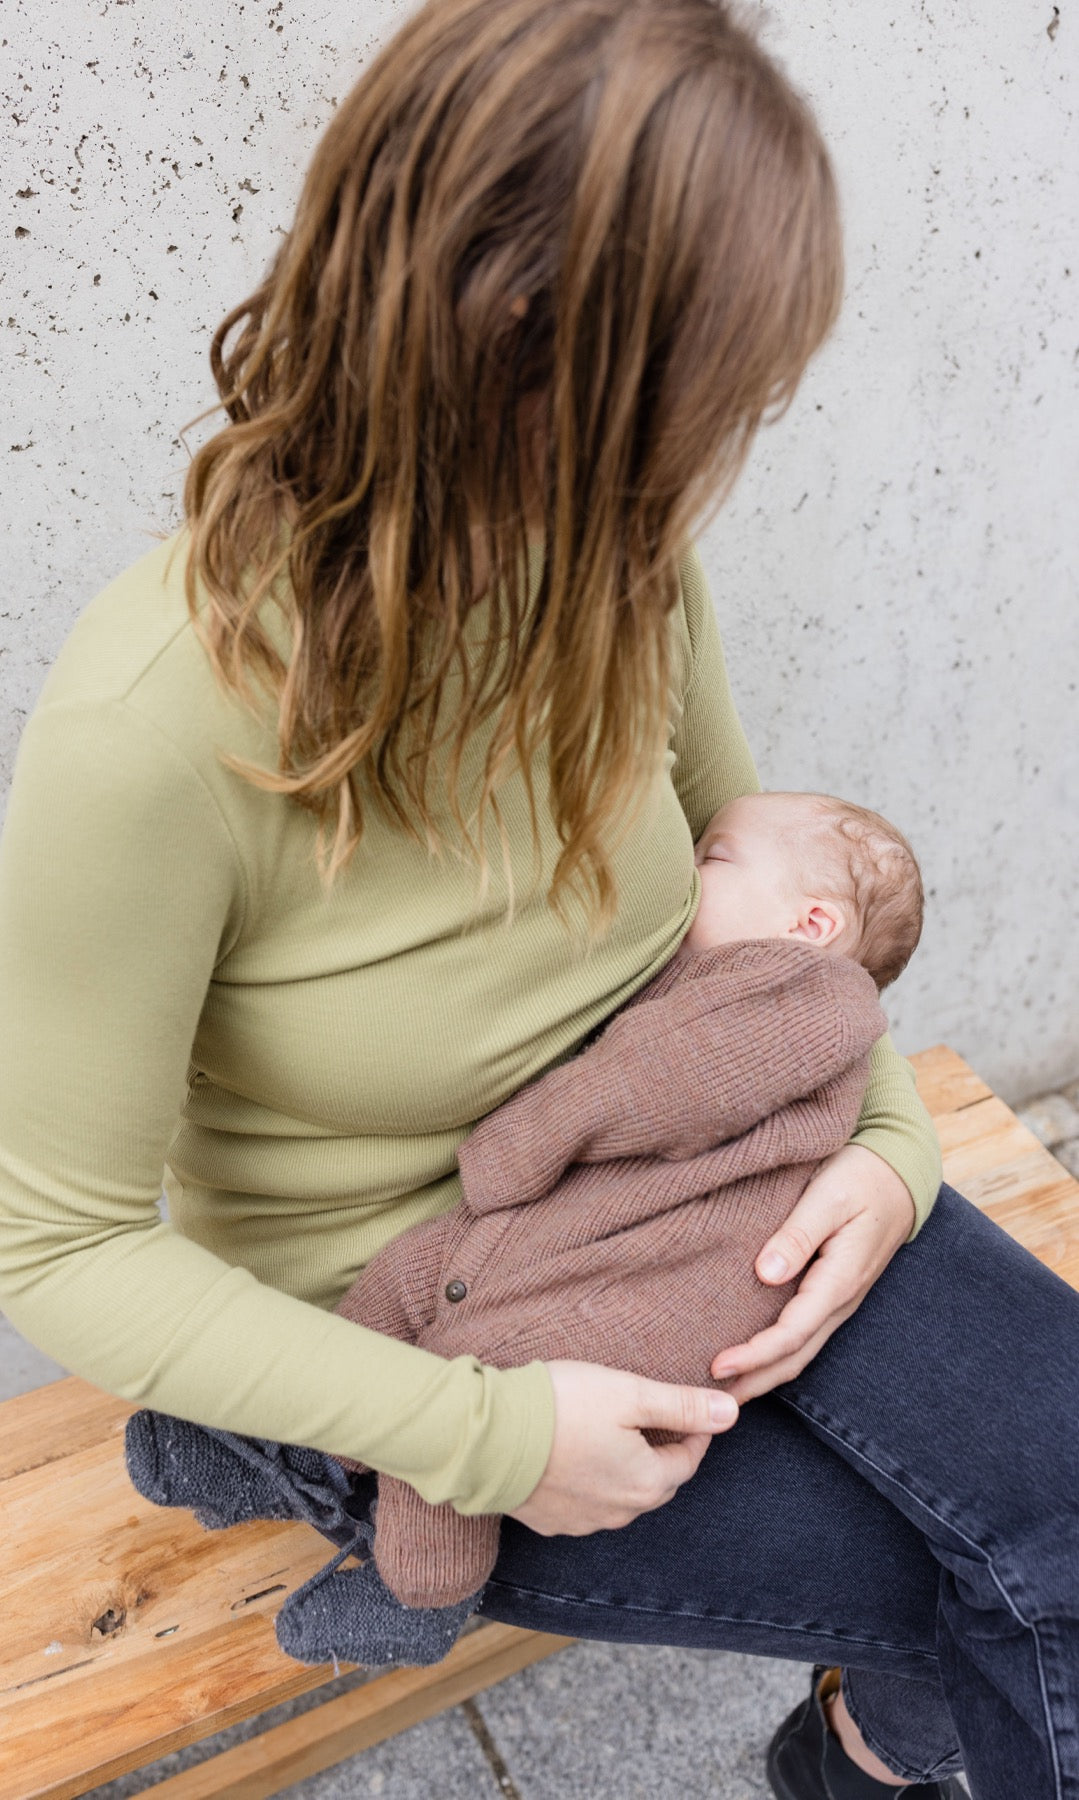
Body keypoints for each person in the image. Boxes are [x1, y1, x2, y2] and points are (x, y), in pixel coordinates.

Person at [0, 2, 1074, 1795]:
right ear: (516, 358)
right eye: (708, 397)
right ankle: (860, 1750)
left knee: (1055, 1548)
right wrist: (481, 1436)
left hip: (707, 1162)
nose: (725, 444)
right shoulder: (153, 730)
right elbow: (60, 1249)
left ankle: (858, 1756)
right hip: (430, 1321)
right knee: (1016, 1583)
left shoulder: (619, 563)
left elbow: (760, 866)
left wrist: (882, 1158)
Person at [123, 789, 916, 1665]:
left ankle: (423, 1590)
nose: (686, 872)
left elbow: (649, 1084)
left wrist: (513, 1151)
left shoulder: (799, 996)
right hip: (578, 1240)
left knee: (474, 1378)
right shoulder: (761, 987)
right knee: (409, 1277)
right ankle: (304, 1449)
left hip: (650, 1295)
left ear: (810, 921)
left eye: (712, 859)